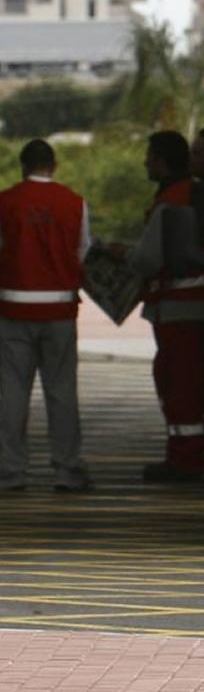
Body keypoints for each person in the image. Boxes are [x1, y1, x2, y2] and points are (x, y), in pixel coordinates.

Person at [0, 139, 93, 492]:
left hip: (12, 308)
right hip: (59, 310)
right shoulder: (74, 203)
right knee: (61, 391)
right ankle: (67, 470)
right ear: (53, 166)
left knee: (12, 391)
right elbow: (83, 250)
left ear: (23, 166)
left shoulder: (5, 202)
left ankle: (11, 472)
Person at [131, 131, 204, 482]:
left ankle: (185, 460)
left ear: (163, 160)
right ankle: (199, 448)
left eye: (150, 156)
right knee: (197, 382)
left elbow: (147, 258)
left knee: (177, 383)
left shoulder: (172, 200)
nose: (145, 163)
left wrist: (122, 254)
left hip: (178, 307)